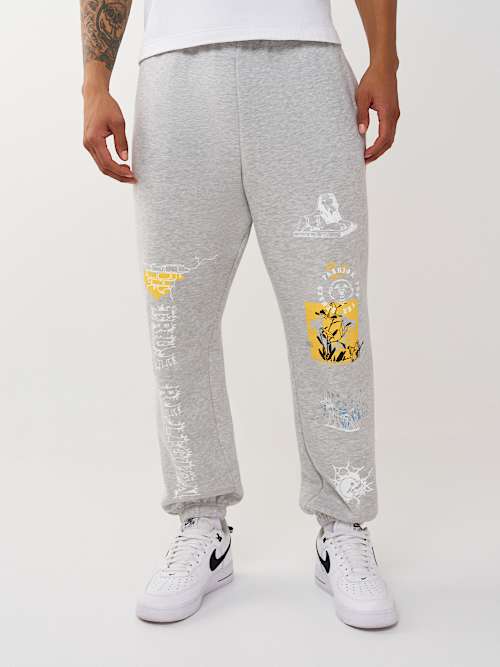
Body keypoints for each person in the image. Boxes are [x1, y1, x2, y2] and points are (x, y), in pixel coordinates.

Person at [80, 0, 401, 629]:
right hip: (176, 77)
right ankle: (202, 522)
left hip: (304, 66)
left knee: (330, 318)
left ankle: (343, 524)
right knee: (177, 322)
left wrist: (384, 61)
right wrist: (95, 83)